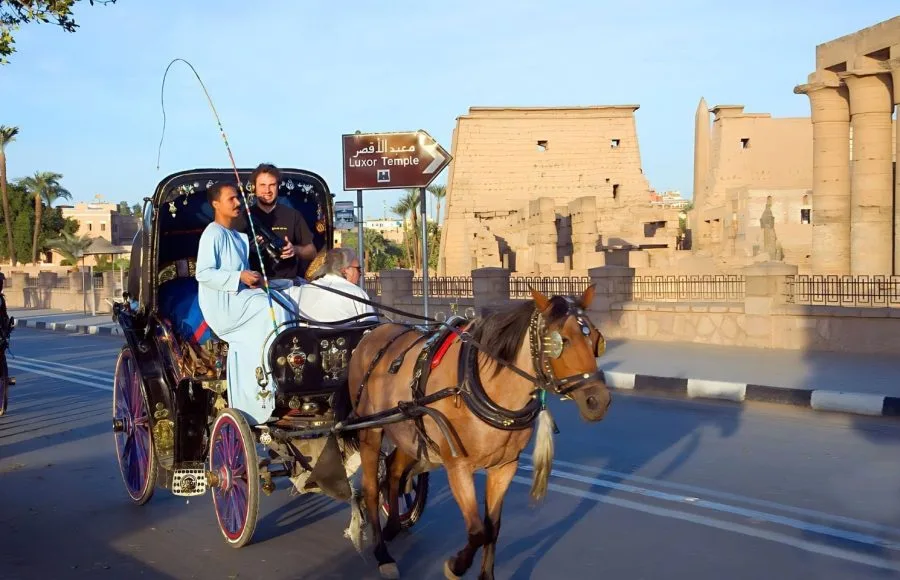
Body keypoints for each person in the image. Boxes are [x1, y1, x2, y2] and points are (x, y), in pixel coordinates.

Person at [196, 182, 298, 425]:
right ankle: (266, 382)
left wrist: (256, 280)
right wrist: (239, 277)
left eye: (238, 199)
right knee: (269, 308)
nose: (238, 203)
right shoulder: (212, 233)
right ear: (216, 204)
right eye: (231, 199)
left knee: (288, 302)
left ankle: (286, 373)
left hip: (240, 296)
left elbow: (241, 274)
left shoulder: (237, 236)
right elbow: (203, 274)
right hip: (223, 306)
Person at [236, 163, 317, 286]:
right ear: (254, 187)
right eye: (262, 185)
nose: (267, 190)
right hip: (255, 286)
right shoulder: (243, 217)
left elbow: (312, 252)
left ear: (278, 186)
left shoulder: (293, 215)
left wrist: (294, 249)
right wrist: (249, 248)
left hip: (288, 284)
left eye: (272, 185)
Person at [295, 248, 377, 324]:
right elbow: (372, 330)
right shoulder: (357, 293)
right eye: (358, 269)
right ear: (345, 270)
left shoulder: (300, 292)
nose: (361, 273)